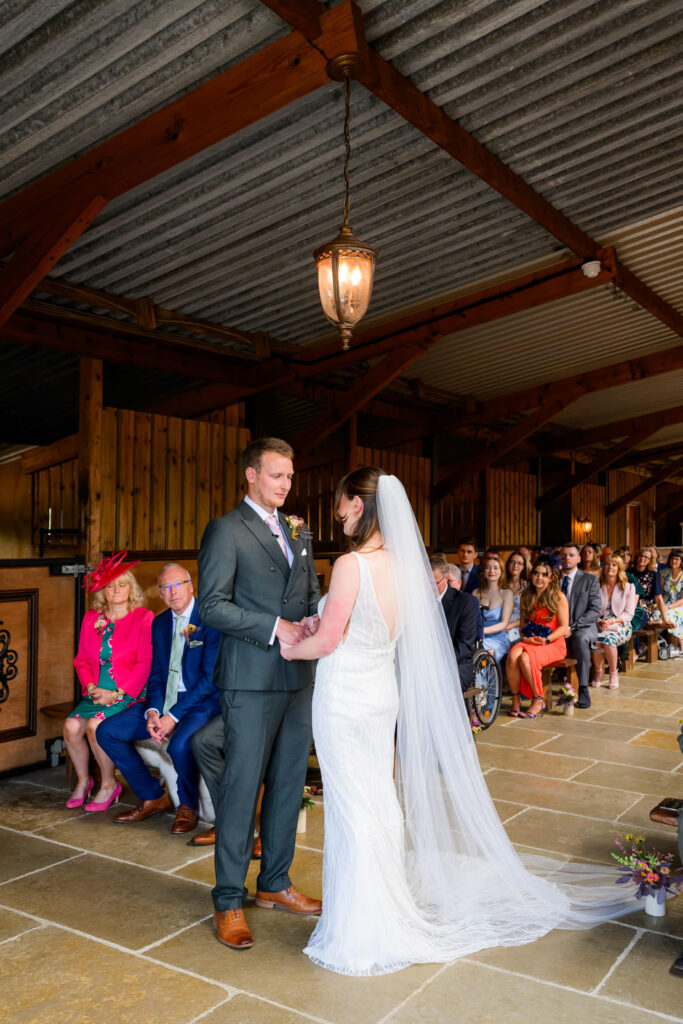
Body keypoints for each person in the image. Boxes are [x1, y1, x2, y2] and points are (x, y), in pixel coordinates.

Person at [279, 469, 638, 976]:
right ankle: (379, 905)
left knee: (352, 804)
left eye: (340, 503)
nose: (337, 512)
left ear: (358, 506)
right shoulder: (405, 568)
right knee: (376, 798)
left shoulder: (349, 565)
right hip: (381, 693)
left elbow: (331, 640)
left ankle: (362, 924)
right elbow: (381, 629)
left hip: (344, 697)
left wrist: (291, 646)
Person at [197, 437, 322, 952]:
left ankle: (274, 882)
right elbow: (212, 605)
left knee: (290, 784)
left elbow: (310, 588)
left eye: (290, 477)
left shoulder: (300, 529)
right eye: (276, 476)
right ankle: (228, 898)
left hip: (298, 677)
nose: (285, 485)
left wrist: (316, 616)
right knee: (242, 788)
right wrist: (275, 625)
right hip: (250, 678)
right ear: (251, 475)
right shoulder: (227, 530)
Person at [96, 563, 221, 832]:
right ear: (161, 594)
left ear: (191, 586)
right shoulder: (161, 623)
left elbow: (210, 679)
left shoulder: (210, 619)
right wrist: (153, 711)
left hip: (200, 702)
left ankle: (187, 805)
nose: (173, 591)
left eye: (179, 584)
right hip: (164, 700)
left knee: (178, 746)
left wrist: (172, 717)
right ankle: (153, 796)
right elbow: (156, 674)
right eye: (166, 587)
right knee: (108, 731)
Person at [64, 552, 153, 811]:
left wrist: (116, 694)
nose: (116, 590)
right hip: (95, 692)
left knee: (94, 726)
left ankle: (107, 784)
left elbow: (145, 663)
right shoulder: (92, 618)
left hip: (127, 694)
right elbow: (81, 660)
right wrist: (91, 688)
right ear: (102, 591)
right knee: (71, 726)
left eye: (122, 584)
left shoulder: (143, 618)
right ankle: (83, 782)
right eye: (110, 585)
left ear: (131, 589)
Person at [189, 714, 263, 857]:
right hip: (246, 705)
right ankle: (228, 820)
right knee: (202, 741)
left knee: (265, 751)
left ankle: (268, 830)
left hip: (284, 705)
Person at [506, 561, 569, 718]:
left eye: (544, 574)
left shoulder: (559, 597)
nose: (539, 577)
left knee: (526, 658)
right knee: (513, 656)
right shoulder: (526, 597)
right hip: (530, 641)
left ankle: (538, 699)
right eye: (536, 573)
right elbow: (522, 626)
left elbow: (563, 627)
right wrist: (526, 638)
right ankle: (516, 699)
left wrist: (546, 640)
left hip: (553, 643)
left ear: (551, 578)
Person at [559, 543, 601, 708]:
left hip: (583, 626)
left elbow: (595, 609)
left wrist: (573, 627)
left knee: (581, 638)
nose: (566, 558)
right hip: (557, 627)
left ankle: (583, 687)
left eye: (570, 555)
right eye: (563, 555)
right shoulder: (552, 579)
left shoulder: (590, 580)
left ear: (578, 558)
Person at [429, 554, 479, 694]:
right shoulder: (420, 601)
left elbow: (464, 645)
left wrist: (436, 663)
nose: (429, 588)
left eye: (434, 583)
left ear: (446, 578)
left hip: (455, 664)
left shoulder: (465, 603)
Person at [590, 555, 636, 690]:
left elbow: (629, 614)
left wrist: (612, 622)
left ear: (619, 568)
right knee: (595, 640)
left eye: (614, 565)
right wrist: (599, 621)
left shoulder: (628, 587)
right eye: (608, 564)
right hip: (599, 623)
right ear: (603, 567)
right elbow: (592, 609)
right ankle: (598, 671)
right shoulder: (597, 586)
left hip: (621, 624)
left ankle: (613, 673)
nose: (611, 567)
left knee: (608, 639)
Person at [474, 556, 512, 667]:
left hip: (498, 638)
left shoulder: (506, 593)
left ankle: (488, 683)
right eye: (488, 568)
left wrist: (482, 630)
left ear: (501, 571)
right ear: (483, 571)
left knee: (485, 653)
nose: (492, 571)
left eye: (496, 568)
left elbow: (504, 624)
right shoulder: (476, 593)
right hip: (479, 637)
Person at [650, 549, 683, 652]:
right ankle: (654, 646)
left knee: (671, 615)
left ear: (682, 561)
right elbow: (659, 592)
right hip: (664, 602)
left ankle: (681, 645)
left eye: (677, 559)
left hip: (679, 604)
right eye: (672, 559)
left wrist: (668, 607)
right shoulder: (664, 573)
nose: (674, 561)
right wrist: (660, 605)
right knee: (654, 614)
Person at [630, 547, 668, 625]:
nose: (642, 558)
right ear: (637, 556)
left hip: (645, 608)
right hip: (628, 605)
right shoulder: (628, 573)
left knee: (635, 620)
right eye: (641, 555)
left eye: (646, 557)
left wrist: (665, 619)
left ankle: (634, 637)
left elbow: (659, 598)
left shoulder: (653, 575)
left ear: (650, 560)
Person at [504, 550, 529, 643]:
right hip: (502, 621)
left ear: (523, 567)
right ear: (508, 564)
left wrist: (510, 625)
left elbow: (528, 615)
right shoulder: (501, 584)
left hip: (520, 623)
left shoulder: (527, 587)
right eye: (512, 562)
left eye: (519, 563)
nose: (515, 566)